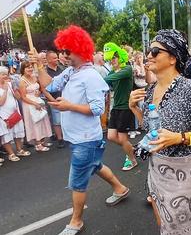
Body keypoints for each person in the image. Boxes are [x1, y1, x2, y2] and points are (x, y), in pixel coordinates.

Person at [35, 25, 130, 235]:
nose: (63, 55)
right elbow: (49, 86)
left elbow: (97, 109)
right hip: (79, 137)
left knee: (77, 181)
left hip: (86, 139)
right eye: (63, 51)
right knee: (95, 165)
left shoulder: (92, 76)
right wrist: (38, 66)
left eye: (67, 51)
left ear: (79, 50)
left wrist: (68, 106)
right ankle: (120, 189)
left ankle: (76, 221)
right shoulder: (70, 71)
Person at [129, 29, 191, 235]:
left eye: (154, 51)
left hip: (183, 175)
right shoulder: (151, 89)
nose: (148, 55)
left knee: (183, 229)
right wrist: (134, 109)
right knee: (164, 225)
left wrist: (180, 138)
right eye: (148, 50)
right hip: (157, 169)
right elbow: (150, 130)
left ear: (172, 57)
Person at [103, 42, 137, 171]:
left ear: (120, 56)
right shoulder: (113, 71)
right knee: (111, 136)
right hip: (115, 107)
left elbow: (106, 80)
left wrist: (105, 78)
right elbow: (109, 82)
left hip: (125, 107)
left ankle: (132, 160)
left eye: (114, 58)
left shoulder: (127, 69)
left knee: (122, 138)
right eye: (110, 59)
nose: (112, 61)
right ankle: (129, 148)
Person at [19, 61, 52, 152]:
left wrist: (39, 92)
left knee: (42, 121)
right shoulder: (22, 81)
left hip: (38, 101)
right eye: (27, 68)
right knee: (35, 123)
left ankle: (42, 141)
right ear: (23, 69)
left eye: (30, 67)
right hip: (29, 104)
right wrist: (34, 104)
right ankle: (38, 144)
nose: (30, 69)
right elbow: (23, 97)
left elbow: (40, 88)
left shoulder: (35, 77)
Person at [0, 66, 30, 162]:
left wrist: (14, 88)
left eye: (6, 74)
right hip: (3, 114)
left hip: (14, 112)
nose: (5, 76)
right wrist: (4, 90)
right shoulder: (4, 87)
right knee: (6, 134)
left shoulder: (9, 84)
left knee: (18, 131)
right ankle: (11, 154)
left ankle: (19, 150)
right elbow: (1, 102)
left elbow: (18, 97)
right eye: (2, 74)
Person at [44, 51, 65, 148]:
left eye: (57, 57)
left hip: (64, 98)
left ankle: (66, 136)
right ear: (48, 59)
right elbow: (44, 89)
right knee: (57, 121)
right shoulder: (45, 72)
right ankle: (60, 139)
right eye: (54, 58)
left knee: (65, 118)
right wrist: (53, 100)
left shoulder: (61, 69)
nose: (57, 59)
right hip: (54, 99)